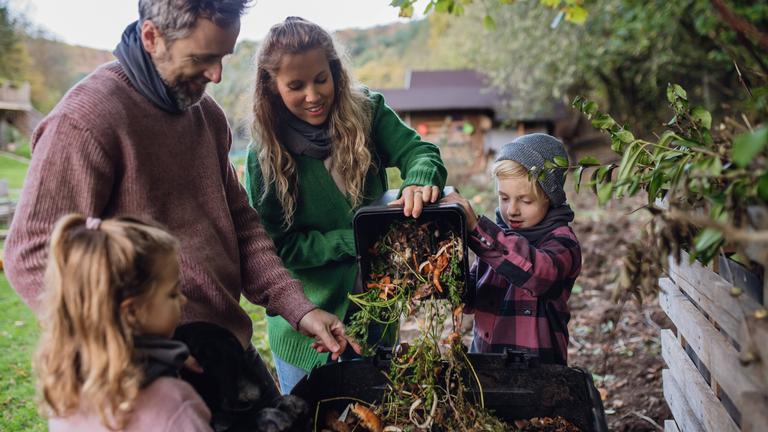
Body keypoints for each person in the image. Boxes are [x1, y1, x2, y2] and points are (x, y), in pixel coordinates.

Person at [4, 0, 348, 405]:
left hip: (225, 345)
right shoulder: (87, 120)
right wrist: (129, 346)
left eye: (222, 57)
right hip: (149, 371)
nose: (216, 75)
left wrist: (298, 307)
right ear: (152, 37)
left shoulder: (205, 114)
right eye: (203, 58)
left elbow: (242, 226)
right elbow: (31, 252)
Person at [244, 16, 447, 393]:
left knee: (376, 409)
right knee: (314, 415)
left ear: (335, 70)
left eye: (321, 78)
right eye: (296, 86)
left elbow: (419, 151)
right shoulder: (265, 158)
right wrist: (353, 239)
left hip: (376, 311)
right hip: (306, 328)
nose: (313, 95)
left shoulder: (366, 112)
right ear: (272, 88)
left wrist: (420, 179)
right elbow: (276, 248)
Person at [37, 214, 212, 431]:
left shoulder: (65, 398)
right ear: (131, 312)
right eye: (173, 293)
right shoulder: (174, 405)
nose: (183, 300)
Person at [442, 133, 581, 365]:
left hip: (537, 374)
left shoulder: (562, 242)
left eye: (525, 201)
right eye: (504, 198)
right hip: (486, 364)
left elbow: (539, 275)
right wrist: (446, 265)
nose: (512, 210)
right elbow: (470, 300)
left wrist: (477, 229)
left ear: (550, 198)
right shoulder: (496, 239)